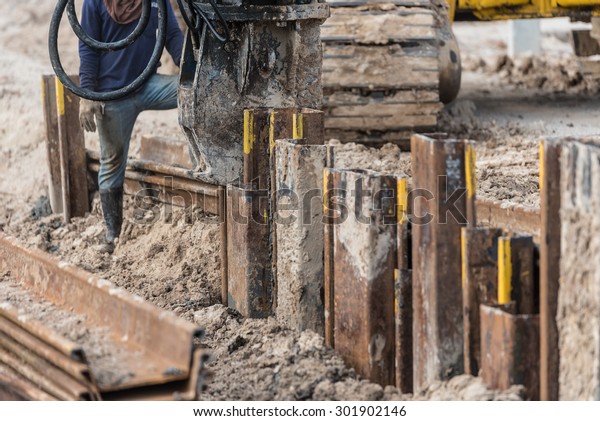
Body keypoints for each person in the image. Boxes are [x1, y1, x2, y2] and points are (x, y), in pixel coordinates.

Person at [78, 0, 183, 252]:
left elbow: (172, 35)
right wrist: (87, 94)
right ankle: (112, 236)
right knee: (112, 162)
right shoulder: (95, 3)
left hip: (148, 85)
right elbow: (88, 48)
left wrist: (194, 71)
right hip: (113, 96)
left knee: (194, 92)